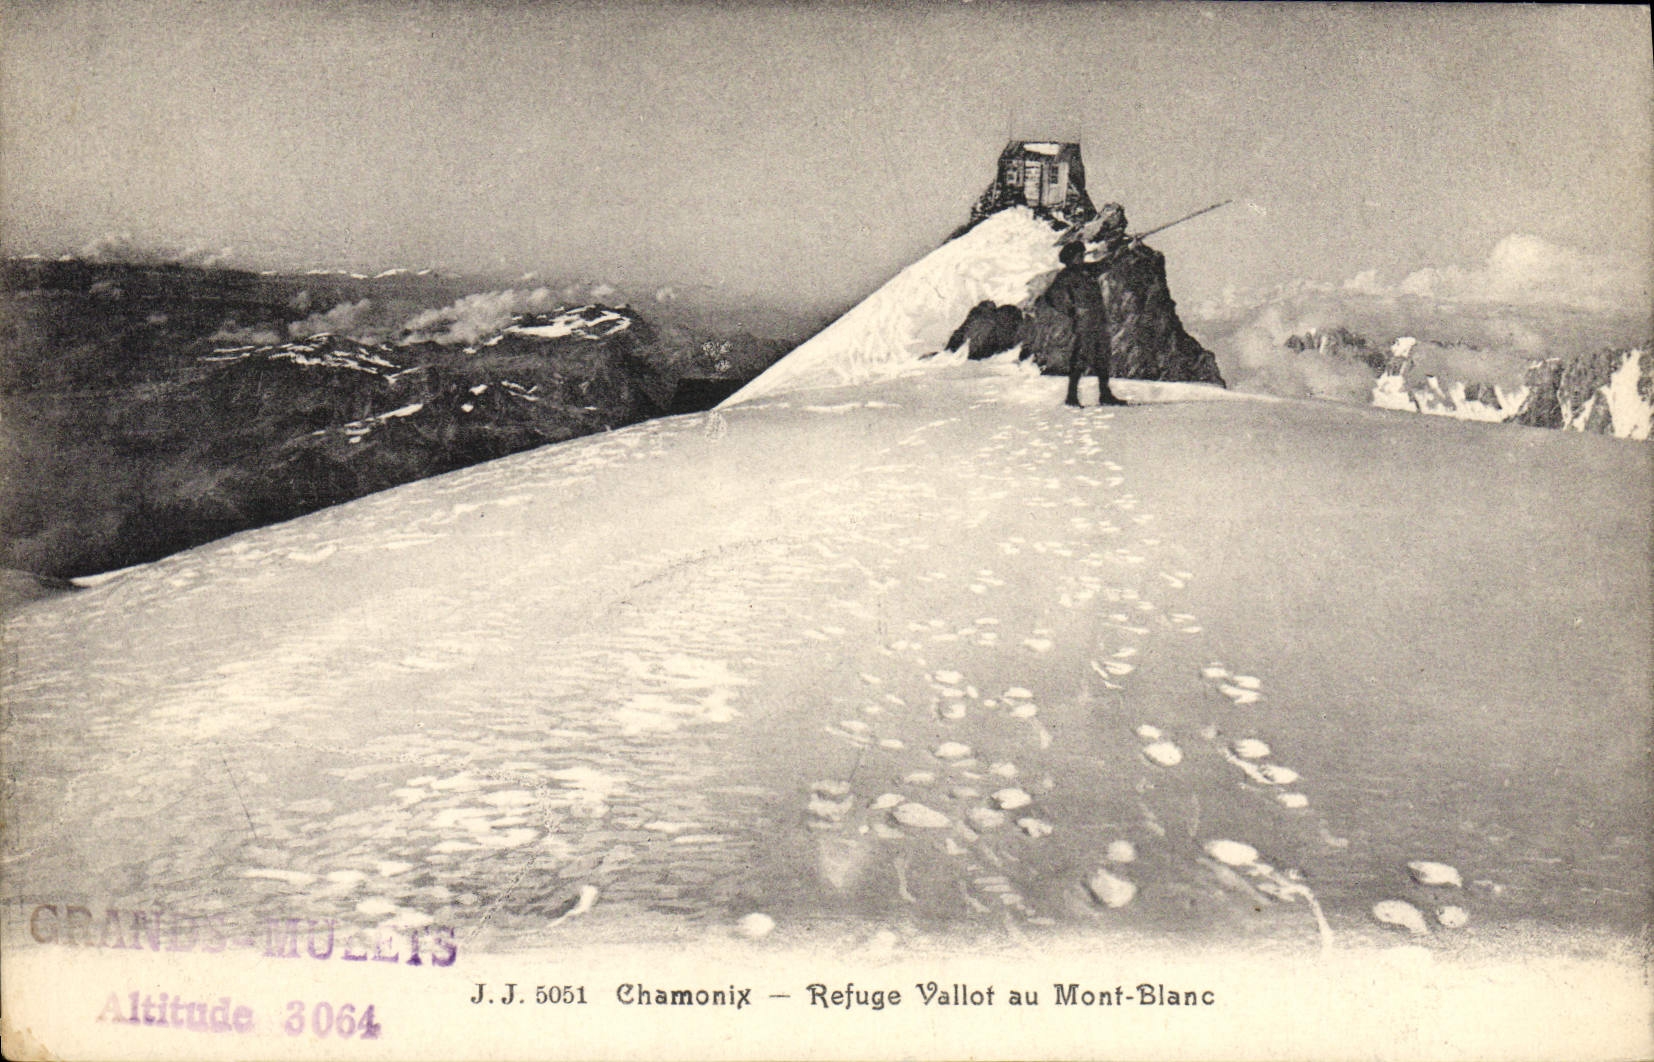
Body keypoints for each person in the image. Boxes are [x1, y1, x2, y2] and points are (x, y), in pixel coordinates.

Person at [1046, 238, 1127, 407]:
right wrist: (1071, 311)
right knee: (1080, 356)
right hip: (1084, 322)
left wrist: (1123, 248)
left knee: (1102, 356)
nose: (1081, 258)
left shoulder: (1087, 270)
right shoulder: (1066, 276)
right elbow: (1051, 297)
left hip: (1098, 319)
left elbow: (1106, 264)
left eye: (1081, 255)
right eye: (1078, 255)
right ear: (1071, 258)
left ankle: (1105, 394)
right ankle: (1071, 396)